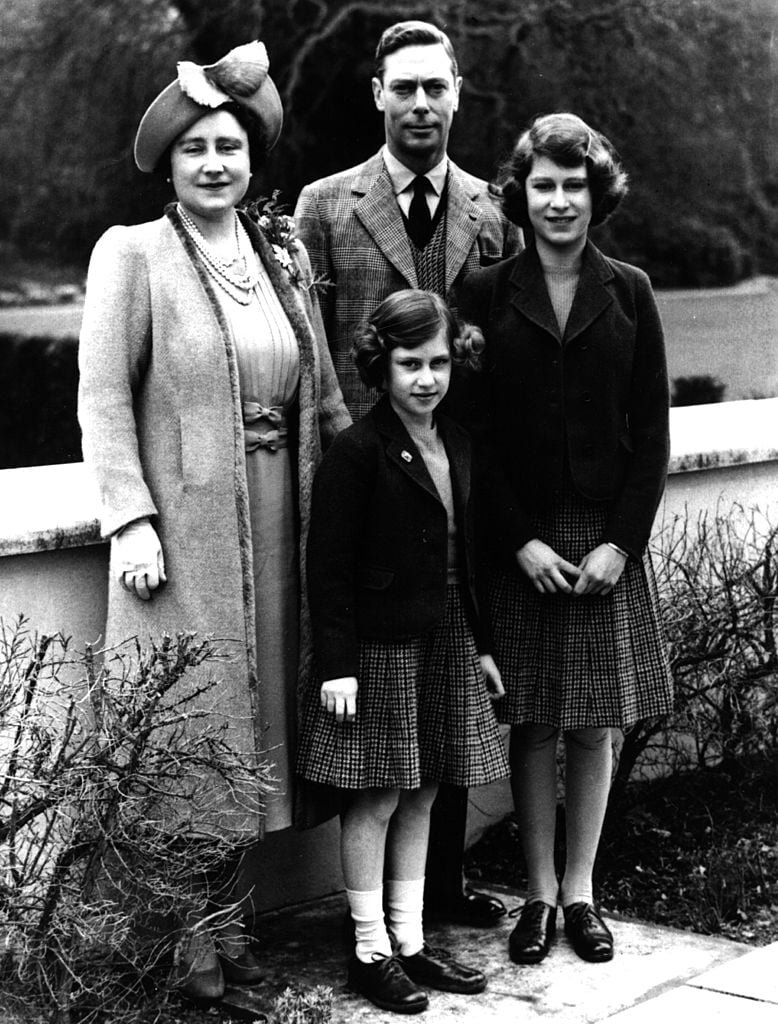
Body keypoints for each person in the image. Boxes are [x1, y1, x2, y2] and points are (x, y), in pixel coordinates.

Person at [77, 42, 350, 1001]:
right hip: (187, 536)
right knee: (190, 728)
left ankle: (226, 929)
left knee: (262, 719)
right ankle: (184, 949)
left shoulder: (282, 252)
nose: (213, 163)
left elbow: (320, 394)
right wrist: (130, 520)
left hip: (284, 520)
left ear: (251, 155)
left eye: (228, 144)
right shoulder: (133, 255)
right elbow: (105, 399)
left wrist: (368, 494)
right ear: (169, 162)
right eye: (194, 147)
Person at [294, 17, 521, 929]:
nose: (421, 104)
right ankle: (371, 917)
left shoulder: (488, 212)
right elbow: (311, 352)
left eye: (436, 87)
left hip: (459, 478)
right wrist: (352, 448)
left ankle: (441, 892)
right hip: (365, 478)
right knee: (384, 706)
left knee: (452, 682)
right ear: (378, 95)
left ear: (458, 94)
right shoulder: (323, 205)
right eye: (405, 88)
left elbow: (497, 358)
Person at [456, 113, 673, 965]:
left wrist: (623, 543)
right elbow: (467, 435)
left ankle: (583, 892)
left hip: (603, 540)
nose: (556, 201)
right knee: (535, 720)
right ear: (521, 194)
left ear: (596, 195)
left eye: (572, 186)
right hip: (524, 544)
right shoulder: (482, 292)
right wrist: (517, 542)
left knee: (595, 722)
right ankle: (537, 897)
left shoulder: (631, 290)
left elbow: (651, 437)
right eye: (542, 185)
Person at [296, 289, 508, 1013]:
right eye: (410, 363)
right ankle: (367, 949)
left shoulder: (460, 442)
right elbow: (326, 568)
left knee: (426, 788)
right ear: (380, 366)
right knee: (378, 794)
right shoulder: (358, 452)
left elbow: (465, 559)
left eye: (439, 362)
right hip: (380, 646)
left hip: (445, 634)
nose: (426, 378)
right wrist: (339, 665)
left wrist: (480, 645)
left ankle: (411, 943)